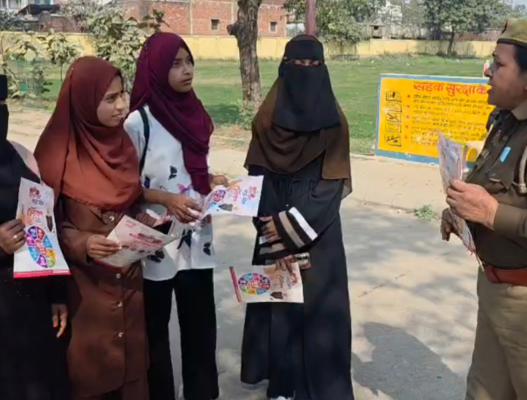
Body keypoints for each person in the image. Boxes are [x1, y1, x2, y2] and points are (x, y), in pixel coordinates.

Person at [441, 17, 527, 400]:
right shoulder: (511, 121)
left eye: (499, 64)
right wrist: (465, 213)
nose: (488, 71)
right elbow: (499, 191)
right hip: (496, 292)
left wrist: (491, 213)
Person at [241, 35, 354, 400]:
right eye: (298, 65)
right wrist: (272, 232)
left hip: (317, 229)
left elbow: (331, 186)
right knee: (281, 304)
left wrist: (290, 232)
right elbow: (257, 179)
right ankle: (282, 386)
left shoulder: (334, 124)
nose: (306, 72)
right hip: (272, 222)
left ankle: (320, 390)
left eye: (314, 66)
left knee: (320, 311)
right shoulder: (266, 120)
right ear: (284, 67)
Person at [34, 56, 150, 400]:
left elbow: (131, 200)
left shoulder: (122, 146)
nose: (122, 105)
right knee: (91, 379)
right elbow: (40, 228)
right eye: (110, 98)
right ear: (84, 101)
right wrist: (81, 242)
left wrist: (146, 226)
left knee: (132, 374)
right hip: (84, 295)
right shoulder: (55, 153)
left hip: (129, 285)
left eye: (123, 94)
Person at [124, 32, 224, 400]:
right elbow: (124, 186)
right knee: (155, 329)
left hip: (196, 236)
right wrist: (165, 198)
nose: (187, 70)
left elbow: (189, 168)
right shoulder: (138, 123)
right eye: (175, 63)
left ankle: (202, 393)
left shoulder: (196, 112)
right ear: (155, 69)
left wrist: (211, 181)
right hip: (157, 240)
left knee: (201, 325)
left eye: (189, 61)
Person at [0, 61, 69, 400]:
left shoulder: (21, 156)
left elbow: (46, 227)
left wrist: (57, 293)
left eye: (3, 104)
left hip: (33, 303)